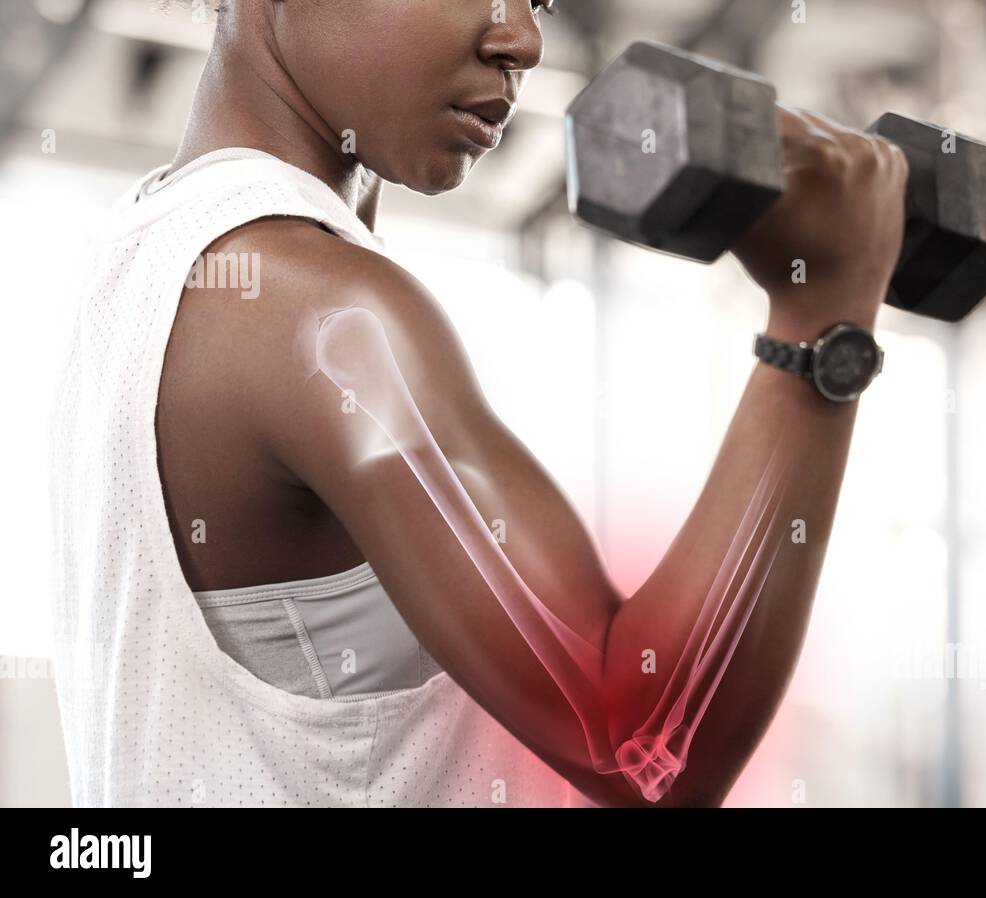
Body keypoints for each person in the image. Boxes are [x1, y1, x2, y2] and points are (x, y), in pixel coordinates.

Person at [48, 0, 906, 807]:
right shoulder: (316, 310)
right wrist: (822, 321)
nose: (524, 40)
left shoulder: (139, 259)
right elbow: (647, 750)